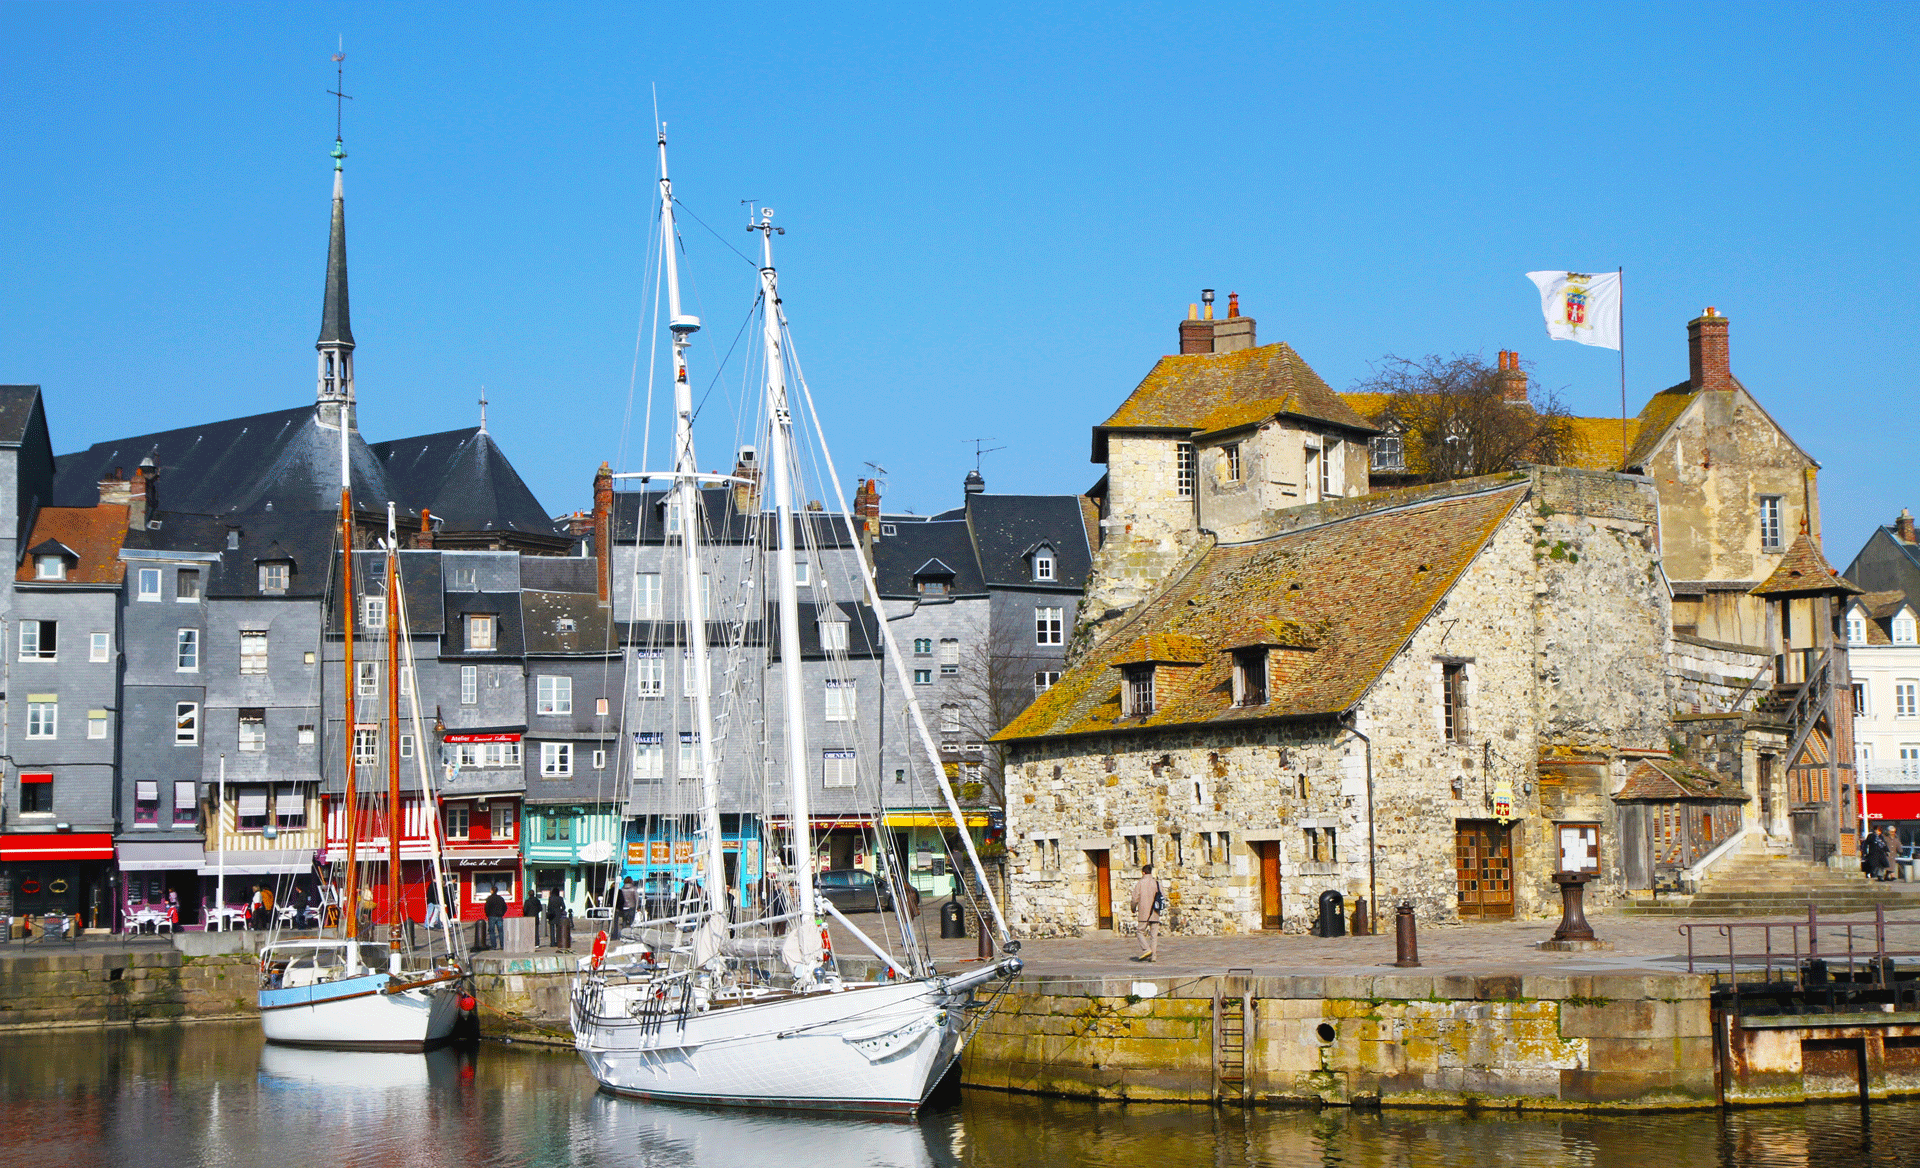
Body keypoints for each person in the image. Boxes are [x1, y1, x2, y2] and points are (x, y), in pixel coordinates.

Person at [1130, 863, 1163, 963]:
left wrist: (1133, 908)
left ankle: (1146, 949)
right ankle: (1153, 956)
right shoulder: (1156, 883)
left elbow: (1135, 898)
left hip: (1144, 912)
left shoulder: (1140, 883)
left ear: (1143, 872)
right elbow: (1162, 896)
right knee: (1154, 935)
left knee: (1140, 931)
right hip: (1155, 911)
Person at [483, 885, 507, 951]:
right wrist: (502, 913)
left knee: (492, 931)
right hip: (499, 917)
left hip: (492, 917)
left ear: (492, 891)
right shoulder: (500, 898)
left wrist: (488, 915)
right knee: (501, 931)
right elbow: (505, 907)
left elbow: (486, 908)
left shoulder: (489, 899)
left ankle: (494, 946)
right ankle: (502, 945)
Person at [547, 886, 571, 952]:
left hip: (552, 915)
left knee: (552, 930)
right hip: (558, 915)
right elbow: (563, 906)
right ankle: (558, 942)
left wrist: (549, 912)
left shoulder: (550, 898)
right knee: (558, 929)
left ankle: (552, 942)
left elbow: (549, 907)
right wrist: (560, 911)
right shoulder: (560, 898)